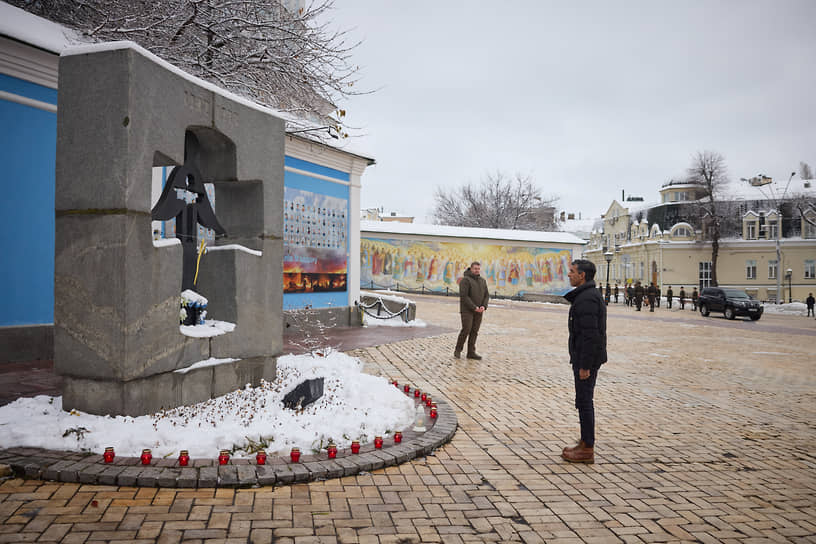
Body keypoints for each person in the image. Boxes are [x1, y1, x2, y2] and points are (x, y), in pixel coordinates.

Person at [562, 259, 607, 464]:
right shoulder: (585, 295)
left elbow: (591, 336)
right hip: (583, 357)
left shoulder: (587, 299)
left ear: (582, 275)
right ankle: (584, 441)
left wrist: (585, 366)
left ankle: (587, 448)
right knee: (582, 400)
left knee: (585, 401)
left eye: (572, 272)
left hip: (586, 360)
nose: (569, 274)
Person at [454, 261, 488, 359]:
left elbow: (486, 295)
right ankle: (458, 349)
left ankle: (471, 352)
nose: (477, 270)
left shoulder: (482, 281)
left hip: (479, 311)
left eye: (478, 269)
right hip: (467, 310)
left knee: (474, 331)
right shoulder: (465, 280)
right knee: (466, 329)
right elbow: (464, 296)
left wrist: (483, 306)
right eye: (475, 269)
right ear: (471, 269)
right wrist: (474, 307)